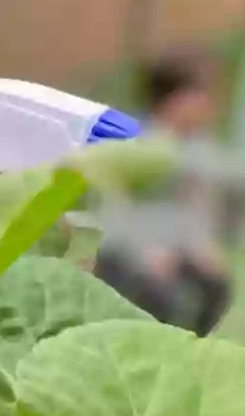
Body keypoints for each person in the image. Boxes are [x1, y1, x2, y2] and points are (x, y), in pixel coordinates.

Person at [94, 49, 234, 335]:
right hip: (124, 248)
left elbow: (198, 204)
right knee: (160, 297)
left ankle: (190, 348)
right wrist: (145, 252)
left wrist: (203, 247)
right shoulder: (136, 142)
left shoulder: (200, 146)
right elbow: (114, 206)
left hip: (175, 247)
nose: (209, 104)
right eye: (199, 95)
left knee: (216, 286)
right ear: (172, 99)